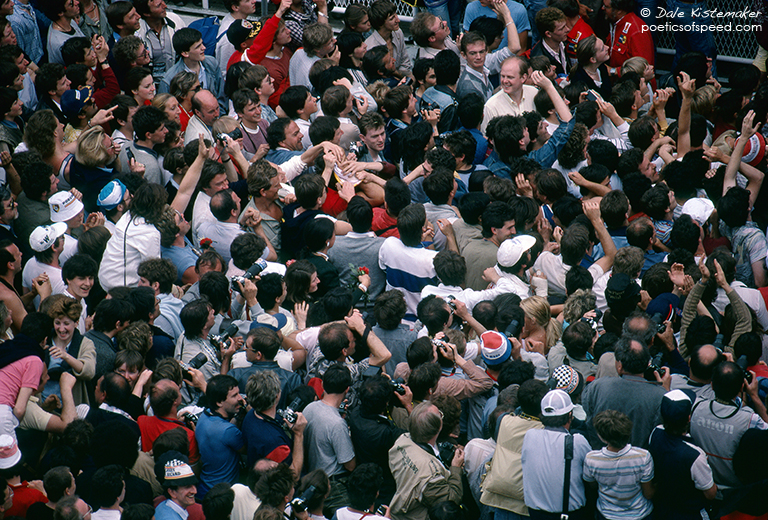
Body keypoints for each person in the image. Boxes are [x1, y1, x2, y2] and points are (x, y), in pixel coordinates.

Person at [582, 334, 668, 449]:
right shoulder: (660, 396)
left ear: (619, 366)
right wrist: (667, 394)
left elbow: (588, 415)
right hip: (640, 462)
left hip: (600, 457)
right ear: (648, 364)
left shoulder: (598, 387)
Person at [521, 389, 591, 519]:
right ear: (570, 415)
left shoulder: (529, 436)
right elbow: (590, 475)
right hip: (568, 515)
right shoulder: (577, 441)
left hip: (535, 514)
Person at [648, 389, 718, 519]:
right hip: (689, 513)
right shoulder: (695, 455)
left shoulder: (655, 433)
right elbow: (710, 493)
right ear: (689, 418)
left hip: (662, 508)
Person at [388, 401, 463, 520]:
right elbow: (450, 501)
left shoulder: (403, 440)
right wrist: (456, 468)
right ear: (439, 427)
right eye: (440, 415)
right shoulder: (431, 475)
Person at [302, 364, 357, 516]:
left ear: (323, 384)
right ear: (346, 389)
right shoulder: (337, 424)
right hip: (333, 485)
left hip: (312, 480)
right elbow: (350, 465)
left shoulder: (309, 408)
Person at [583, 410, 655, 520]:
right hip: (640, 514)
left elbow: (592, 485)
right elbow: (648, 493)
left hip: (606, 514)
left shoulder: (591, 459)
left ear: (602, 437)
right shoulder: (643, 456)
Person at [99, 183, 166, 291]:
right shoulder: (150, 233)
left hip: (104, 279)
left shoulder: (126, 217)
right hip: (122, 289)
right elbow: (152, 270)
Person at [195, 375, 245, 497]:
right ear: (219, 402)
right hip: (222, 493)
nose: (240, 398)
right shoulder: (228, 431)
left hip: (204, 486)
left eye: (239, 393)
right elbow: (247, 450)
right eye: (234, 396)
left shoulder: (204, 417)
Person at [364, 0, 411, 77]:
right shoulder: (370, 46)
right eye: (392, 18)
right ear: (381, 24)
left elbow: (405, 63)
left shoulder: (398, 33)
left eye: (396, 15)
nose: (398, 20)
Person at [154, 450, 198, 520]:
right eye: (187, 487)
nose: (194, 491)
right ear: (172, 492)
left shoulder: (162, 506)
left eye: (194, 485)